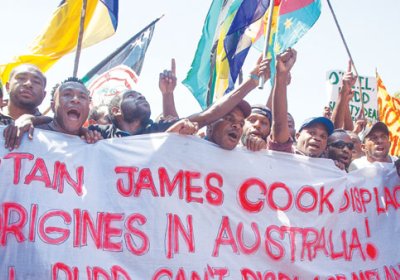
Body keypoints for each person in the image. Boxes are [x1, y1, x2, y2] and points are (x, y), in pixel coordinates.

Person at [89, 56, 270, 139]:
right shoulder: (103, 134)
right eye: (133, 96)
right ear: (115, 110)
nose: (141, 97)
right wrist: (86, 135)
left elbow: (208, 115)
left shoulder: (155, 130)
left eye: (141, 95)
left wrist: (251, 82)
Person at [267, 48, 334, 158]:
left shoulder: (331, 168)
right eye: (312, 133)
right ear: (297, 136)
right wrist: (281, 76)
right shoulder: (285, 154)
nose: (317, 138)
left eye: (323, 136)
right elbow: (279, 124)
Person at [35, 77, 102, 143]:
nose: (76, 100)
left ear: (88, 109)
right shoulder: (31, 133)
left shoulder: (94, 142)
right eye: (67, 94)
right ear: (53, 106)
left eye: (82, 97)